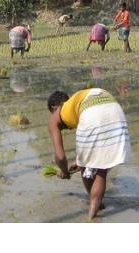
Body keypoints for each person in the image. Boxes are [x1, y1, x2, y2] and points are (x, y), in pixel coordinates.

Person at [47, 88, 130, 220]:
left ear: (54, 108)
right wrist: (78, 162)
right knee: (101, 169)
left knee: (87, 168)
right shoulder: (77, 101)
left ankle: (92, 215)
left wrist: (65, 172)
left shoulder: (54, 117)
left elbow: (60, 156)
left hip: (92, 113)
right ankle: (97, 206)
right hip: (115, 111)